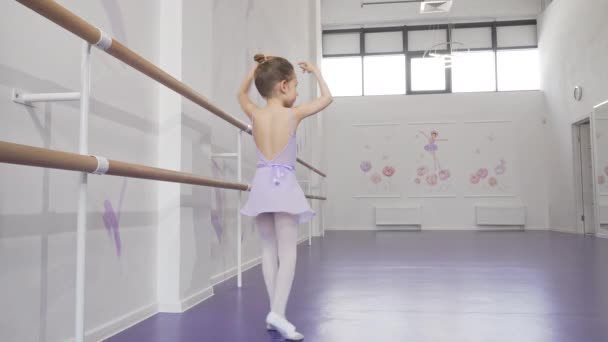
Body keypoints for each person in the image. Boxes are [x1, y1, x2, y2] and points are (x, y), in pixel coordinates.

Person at [237, 53, 332, 340]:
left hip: (261, 184)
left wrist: (255, 67)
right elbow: (328, 98)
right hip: (284, 184)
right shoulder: (294, 113)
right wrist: (315, 71)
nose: (298, 91)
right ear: (283, 86)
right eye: (296, 85)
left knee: (268, 249)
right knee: (288, 252)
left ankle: (274, 313)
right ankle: (277, 313)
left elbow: (240, 93)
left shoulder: (254, 112)